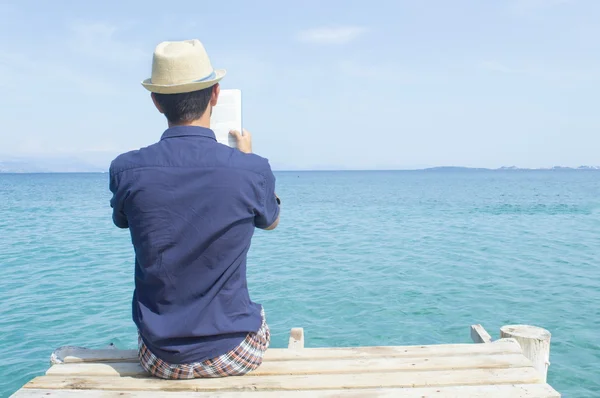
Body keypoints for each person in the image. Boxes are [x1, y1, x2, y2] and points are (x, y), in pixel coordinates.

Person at [108, 39, 280, 379]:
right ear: (215, 94)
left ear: (156, 102)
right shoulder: (251, 169)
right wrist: (245, 158)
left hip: (160, 358)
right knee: (258, 316)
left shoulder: (125, 170)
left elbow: (123, 221)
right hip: (235, 354)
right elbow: (271, 222)